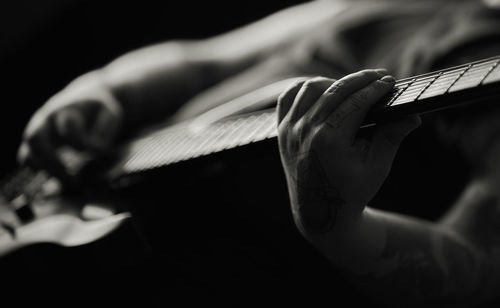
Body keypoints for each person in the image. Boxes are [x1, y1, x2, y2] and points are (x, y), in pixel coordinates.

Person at [16, 0, 500, 306]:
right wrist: (105, 90)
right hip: (59, 203)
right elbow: (199, 60)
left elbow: (476, 269)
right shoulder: (378, 6)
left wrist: (336, 225)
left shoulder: (479, 53)